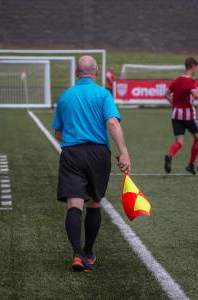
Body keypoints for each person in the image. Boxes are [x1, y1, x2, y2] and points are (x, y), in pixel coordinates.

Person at [52, 55, 131, 272]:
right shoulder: (103, 93)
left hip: (72, 154)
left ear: (77, 73)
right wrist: (123, 152)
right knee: (94, 203)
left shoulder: (65, 96)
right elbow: (112, 122)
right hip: (98, 154)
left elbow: (58, 132)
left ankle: (77, 255)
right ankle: (88, 251)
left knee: (74, 205)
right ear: (96, 72)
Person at [164, 57, 198, 175]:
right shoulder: (192, 82)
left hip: (176, 115)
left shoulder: (176, 80)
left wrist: (174, 103)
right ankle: (191, 165)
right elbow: (195, 95)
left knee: (179, 142)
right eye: (196, 68)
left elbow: (166, 94)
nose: (196, 70)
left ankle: (170, 155)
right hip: (189, 116)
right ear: (192, 67)